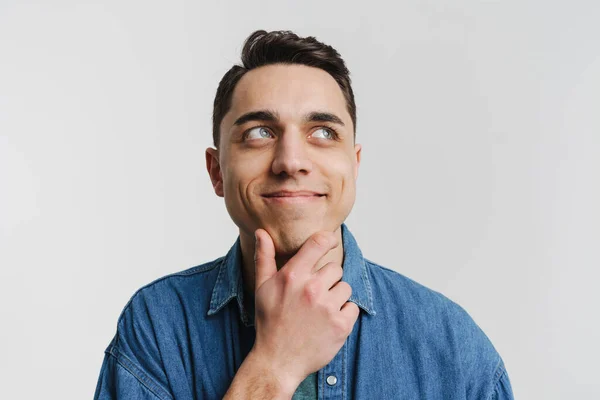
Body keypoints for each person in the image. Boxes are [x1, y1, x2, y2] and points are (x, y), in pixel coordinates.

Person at [94, 30, 514, 400]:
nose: (291, 161)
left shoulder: (453, 345)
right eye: (259, 132)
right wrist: (274, 365)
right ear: (217, 170)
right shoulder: (157, 325)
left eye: (323, 132)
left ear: (354, 165)